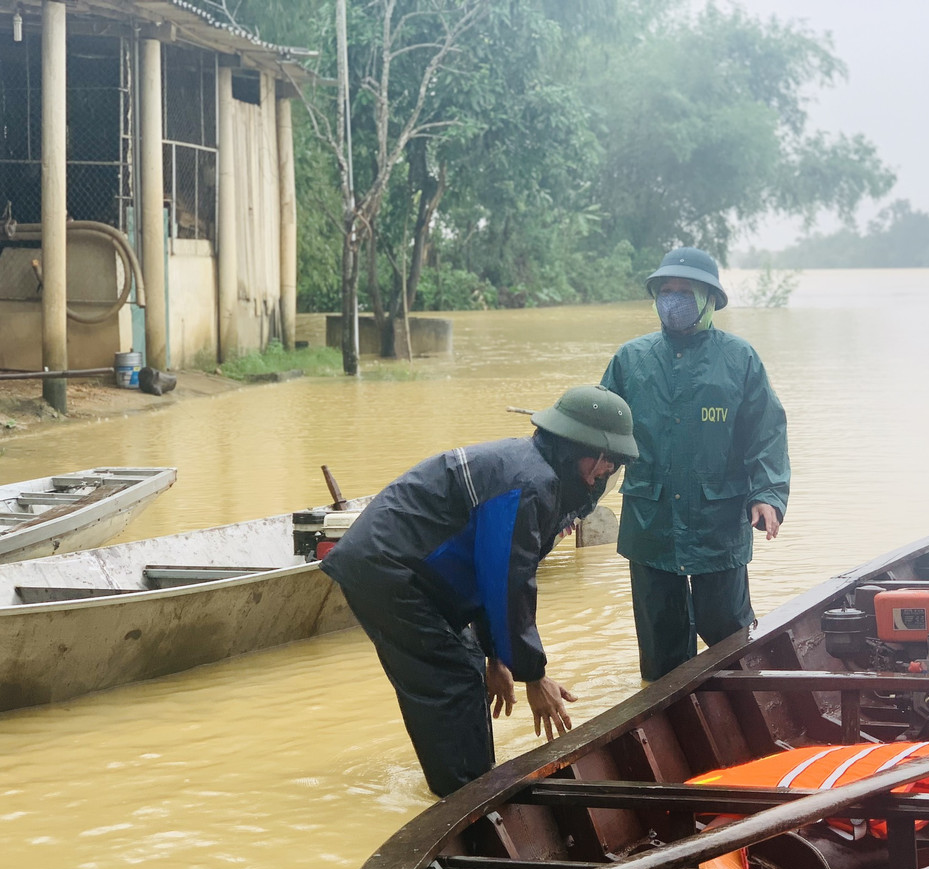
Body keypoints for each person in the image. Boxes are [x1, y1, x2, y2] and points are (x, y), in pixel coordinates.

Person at [321, 385, 639, 796]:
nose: (606, 471)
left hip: (417, 573)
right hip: (389, 570)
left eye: (614, 464)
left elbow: (490, 575)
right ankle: (463, 801)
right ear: (575, 447)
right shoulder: (530, 483)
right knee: (451, 678)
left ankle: (470, 787)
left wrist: (496, 656)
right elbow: (510, 580)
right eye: (604, 460)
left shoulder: (535, 473)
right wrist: (533, 674)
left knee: (466, 664)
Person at [600, 247, 790, 683]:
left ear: (709, 298)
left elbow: (767, 432)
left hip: (718, 521)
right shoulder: (631, 360)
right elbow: (600, 444)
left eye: (684, 291)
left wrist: (768, 495)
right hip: (651, 522)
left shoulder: (739, 359)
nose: (673, 300)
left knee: (732, 637)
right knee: (661, 651)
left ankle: (746, 713)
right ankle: (667, 724)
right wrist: (570, 505)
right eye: (665, 291)